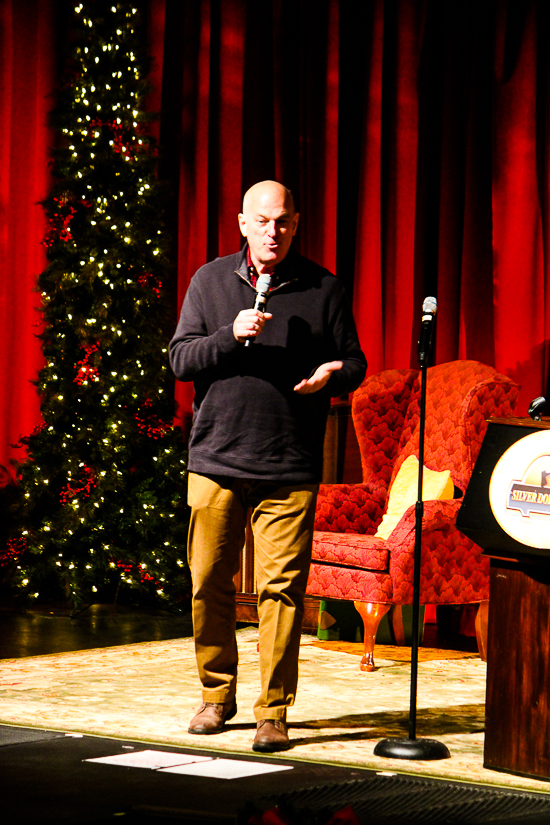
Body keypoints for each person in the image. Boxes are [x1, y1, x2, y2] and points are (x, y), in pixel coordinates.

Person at [169, 180, 366, 752]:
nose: (271, 232)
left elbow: (354, 360)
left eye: (281, 221)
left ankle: (273, 711)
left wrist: (336, 374)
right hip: (216, 460)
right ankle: (216, 695)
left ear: (295, 224)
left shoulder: (323, 287)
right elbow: (182, 360)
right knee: (209, 583)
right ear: (241, 223)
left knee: (280, 590)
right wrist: (229, 336)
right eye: (261, 221)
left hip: (288, 462)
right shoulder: (210, 281)